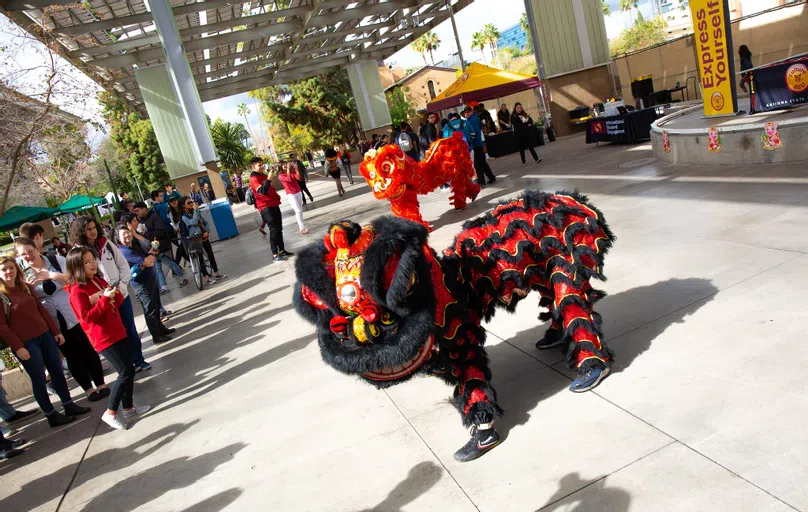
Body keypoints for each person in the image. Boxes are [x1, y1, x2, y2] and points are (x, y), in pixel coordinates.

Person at [65, 247, 151, 430]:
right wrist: (104, 299)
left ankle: (128, 407)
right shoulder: (77, 291)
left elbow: (116, 300)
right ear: (78, 267)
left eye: (93, 260)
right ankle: (111, 411)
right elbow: (86, 318)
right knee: (125, 372)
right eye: (86, 262)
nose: (92, 264)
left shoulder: (97, 279)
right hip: (103, 337)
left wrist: (114, 294)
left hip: (117, 330)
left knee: (129, 370)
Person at [15, 238, 109, 402]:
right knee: (72, 357)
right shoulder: (23, 274)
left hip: (73, 313)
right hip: (53, 321)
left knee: (88, 351)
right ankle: (88, 389)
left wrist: (50, 275)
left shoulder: (56, 260)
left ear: (37, 248)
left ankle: (101, 384)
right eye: (24, 254)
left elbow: (75, 278)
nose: (28, 256)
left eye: (30, 251)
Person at [0, 256, 90, 427]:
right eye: (4, 269)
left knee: (57, 371)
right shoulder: (2, 296)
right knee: (39, 379)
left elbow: (41, 309)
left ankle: (68, 404)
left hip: (45, 336)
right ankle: (51, 414)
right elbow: (3, 327)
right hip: (27, 344)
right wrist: (18, 347)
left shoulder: (25, 287)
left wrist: (55, 331)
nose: (8, 272)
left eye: (11, 268)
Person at [70, 216, 151, 372]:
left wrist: (120, 286)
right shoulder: (76, 253)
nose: (92, 232)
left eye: (94, 228)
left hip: (120, 294)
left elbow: (123, 266)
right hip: (101, 300)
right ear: (81, 232)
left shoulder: (107, 245)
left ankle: (138, 360)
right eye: (88, 229)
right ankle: (126, 365)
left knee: (130, 329)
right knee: (115, 334)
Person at [117, 222, 175, 343]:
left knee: (155, 305)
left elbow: (151, 257)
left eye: (128, 232)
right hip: (141, 284)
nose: (127, 236)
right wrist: (147, 260)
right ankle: (156, 335)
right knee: (150, 309)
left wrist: (148, 259)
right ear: (118, 238)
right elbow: (148, 261)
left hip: (150, 279)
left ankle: (161, 329)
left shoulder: (134, 246)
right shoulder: (124, 251)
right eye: (123, 234)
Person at [134, 201, 187, 294]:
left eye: (138, 210)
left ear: (144, 209)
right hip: (152, 248)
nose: (137, 213)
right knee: (158, 267)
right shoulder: (143, 221)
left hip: (160, 246)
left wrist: (146, 234)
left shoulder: (154, 217)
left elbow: (160, 231)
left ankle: (181, 277)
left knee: (168, 263)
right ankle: (164, 286)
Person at [249, 157, 293, 261]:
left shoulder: (263, 175)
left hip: (273, 204)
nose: (262, 166)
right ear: (253, 167)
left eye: (262, 164)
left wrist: (269, 178)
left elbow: (270, 188)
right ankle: (274, 254)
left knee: (279, 228)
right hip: (265, 207)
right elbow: (262, 191)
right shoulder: (253, 178)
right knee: (273, 230)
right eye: (259, 165)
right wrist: (269, 179)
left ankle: (282, 250)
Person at [179, 196, 228, 283]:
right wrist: (195, 210)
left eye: (191, 202)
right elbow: (194, 222)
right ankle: (206, 277)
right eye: (188, 203)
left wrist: (207, 231)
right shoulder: (184, 217)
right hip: (195, 238)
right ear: (184, 206)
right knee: (200, 258)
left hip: (204, 236)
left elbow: (205, 222)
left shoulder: (196, 211)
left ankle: (216, 273)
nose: (191, 204)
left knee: (210, 255)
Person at [462, 106, 496, 187]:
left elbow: (473, 134)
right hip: (478, 144)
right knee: (482, 163)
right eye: (465, 112)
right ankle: (491, 177)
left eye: (467, 112)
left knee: (478, 165)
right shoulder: (472, 119)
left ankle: (481, 182)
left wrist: (471, 143)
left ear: (471, 112)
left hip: (476, 145)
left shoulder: (472, 120)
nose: (466, 114)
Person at [278, 161, 309, 235]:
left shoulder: (291, 171)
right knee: (298, 211)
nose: (285, 165)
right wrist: (288, 169)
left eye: (286, 164)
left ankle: (302, 227)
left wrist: (296, 169)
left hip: (298, 192)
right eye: (283, 165)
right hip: (291, 195)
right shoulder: (280, 176)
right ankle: (301, 228)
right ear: (280, 167)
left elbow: (299, 178)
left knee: (300, 210)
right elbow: (289, 179)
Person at [739, 44, 756, 114]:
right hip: (747, 75)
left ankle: (749, 96)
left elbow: (748, 66)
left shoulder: (744, 58)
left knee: (750, 87)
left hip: (747, 75)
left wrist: (745, 74)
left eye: (739, 49)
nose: (738, 51)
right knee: (743, 85)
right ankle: (748, 94)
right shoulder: (745, 57)